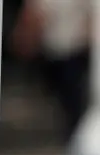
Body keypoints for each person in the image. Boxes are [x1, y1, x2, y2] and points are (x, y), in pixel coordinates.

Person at [11, 0, 92, 143]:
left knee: (74, 97)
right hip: (52, 51)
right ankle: (73, 131)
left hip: (75, 50)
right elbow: (32, 15)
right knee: (62, 95)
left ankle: (75, 133)